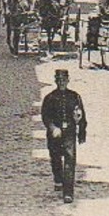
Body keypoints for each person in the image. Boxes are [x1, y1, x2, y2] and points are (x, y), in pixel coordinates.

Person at [40, 67, 87, 204]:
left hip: (69, 133)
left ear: (68, 81)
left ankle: (68, 192)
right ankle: (58, 179)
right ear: (55, 81)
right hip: (54, 134)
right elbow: (45, 116)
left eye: (64, 80)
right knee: (55, 158)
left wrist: (82, 131)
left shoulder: (74, 97)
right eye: (59, 80)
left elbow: (81, 115)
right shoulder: (50, 98)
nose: (62, 83)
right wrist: (53, 127)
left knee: (70, 160)